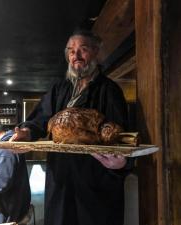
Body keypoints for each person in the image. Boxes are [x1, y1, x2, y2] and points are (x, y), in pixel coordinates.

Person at [11, 29, 133, 225]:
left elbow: (121, 136)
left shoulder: (109, 90)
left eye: (82, 49)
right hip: (61, 182)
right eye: (71, 51)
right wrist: (27, 132)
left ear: (95, 52)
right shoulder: (59, 89)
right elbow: (41, 119)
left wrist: (121, 164)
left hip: (96, 186)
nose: (75, 56)